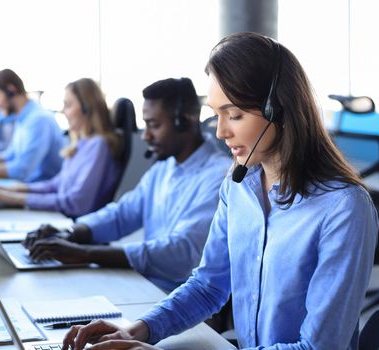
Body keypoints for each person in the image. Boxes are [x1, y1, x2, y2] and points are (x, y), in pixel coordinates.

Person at [61, 32, 379, 350]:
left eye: (235, 115)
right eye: (216, 114)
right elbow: (208, 285)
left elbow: (319, 348)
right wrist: (140, 329)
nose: (220, 131)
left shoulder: (343, 207)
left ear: (276, 109)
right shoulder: (239, 185)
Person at [23, 77, 232, 292]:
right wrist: (71, 232)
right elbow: (122, 213)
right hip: (144, 283)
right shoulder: (164, 168)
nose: (147, 136)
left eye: (155, 125)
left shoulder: (218, 176)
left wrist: (85, 253)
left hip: (175, 297)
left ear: (185, 120)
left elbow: (180, 252)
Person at [0, 78, 122, 218]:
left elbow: (76, 203)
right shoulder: (80, 144)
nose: (63, 111)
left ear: (86, 107)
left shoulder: (98, 146)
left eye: (68, 105)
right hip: (62, 217)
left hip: (74, 227)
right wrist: (14, 190)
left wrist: (19, 199)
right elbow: (55, 185)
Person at [0, 69, 64, 182]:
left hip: (41, 190)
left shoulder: (38, 119)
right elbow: (9, 155)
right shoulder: (22, 117)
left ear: (11, 89)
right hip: (25, 186)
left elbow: (22, 170)